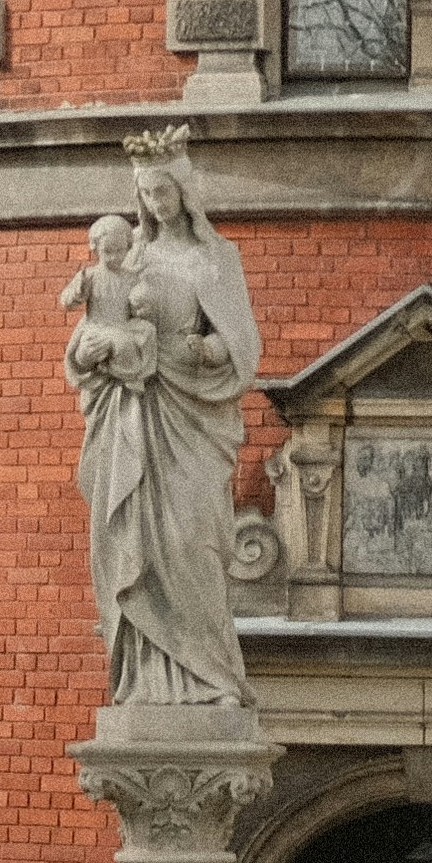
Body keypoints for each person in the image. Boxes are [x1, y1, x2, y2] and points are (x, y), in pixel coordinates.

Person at [64, 134, 263, 715]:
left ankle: (215, 677)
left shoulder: (216, 258)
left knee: (193, 542)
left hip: (193, 415)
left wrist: (207, 351)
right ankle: (148, 682)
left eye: (164, 191)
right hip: (136, 412)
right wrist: (93, 348)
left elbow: (242, 345)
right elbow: (89, 331)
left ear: (185, 192)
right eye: (145, 194)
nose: (155, 203)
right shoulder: (130, 260)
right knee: (139, 547)